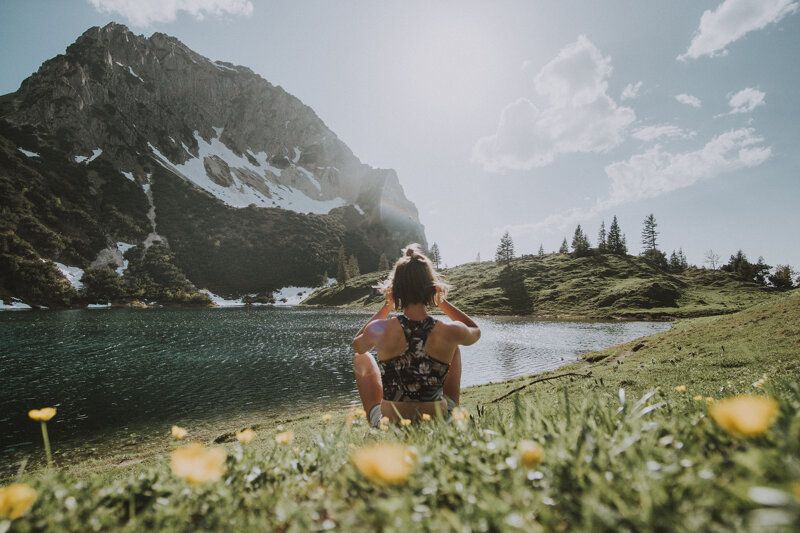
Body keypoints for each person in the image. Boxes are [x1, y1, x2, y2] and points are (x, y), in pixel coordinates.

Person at [353, 243, 481, 427]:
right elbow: (475, 330)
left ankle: (378, 428)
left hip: (392, 425)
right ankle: (451, 419)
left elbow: (357, 345)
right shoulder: (451, 331)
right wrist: (442, 302)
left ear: (395, 291)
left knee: (361, 358)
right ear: (432, 288)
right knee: (454, 348)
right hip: (437, 421)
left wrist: (386, 307)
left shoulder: (379, 329)